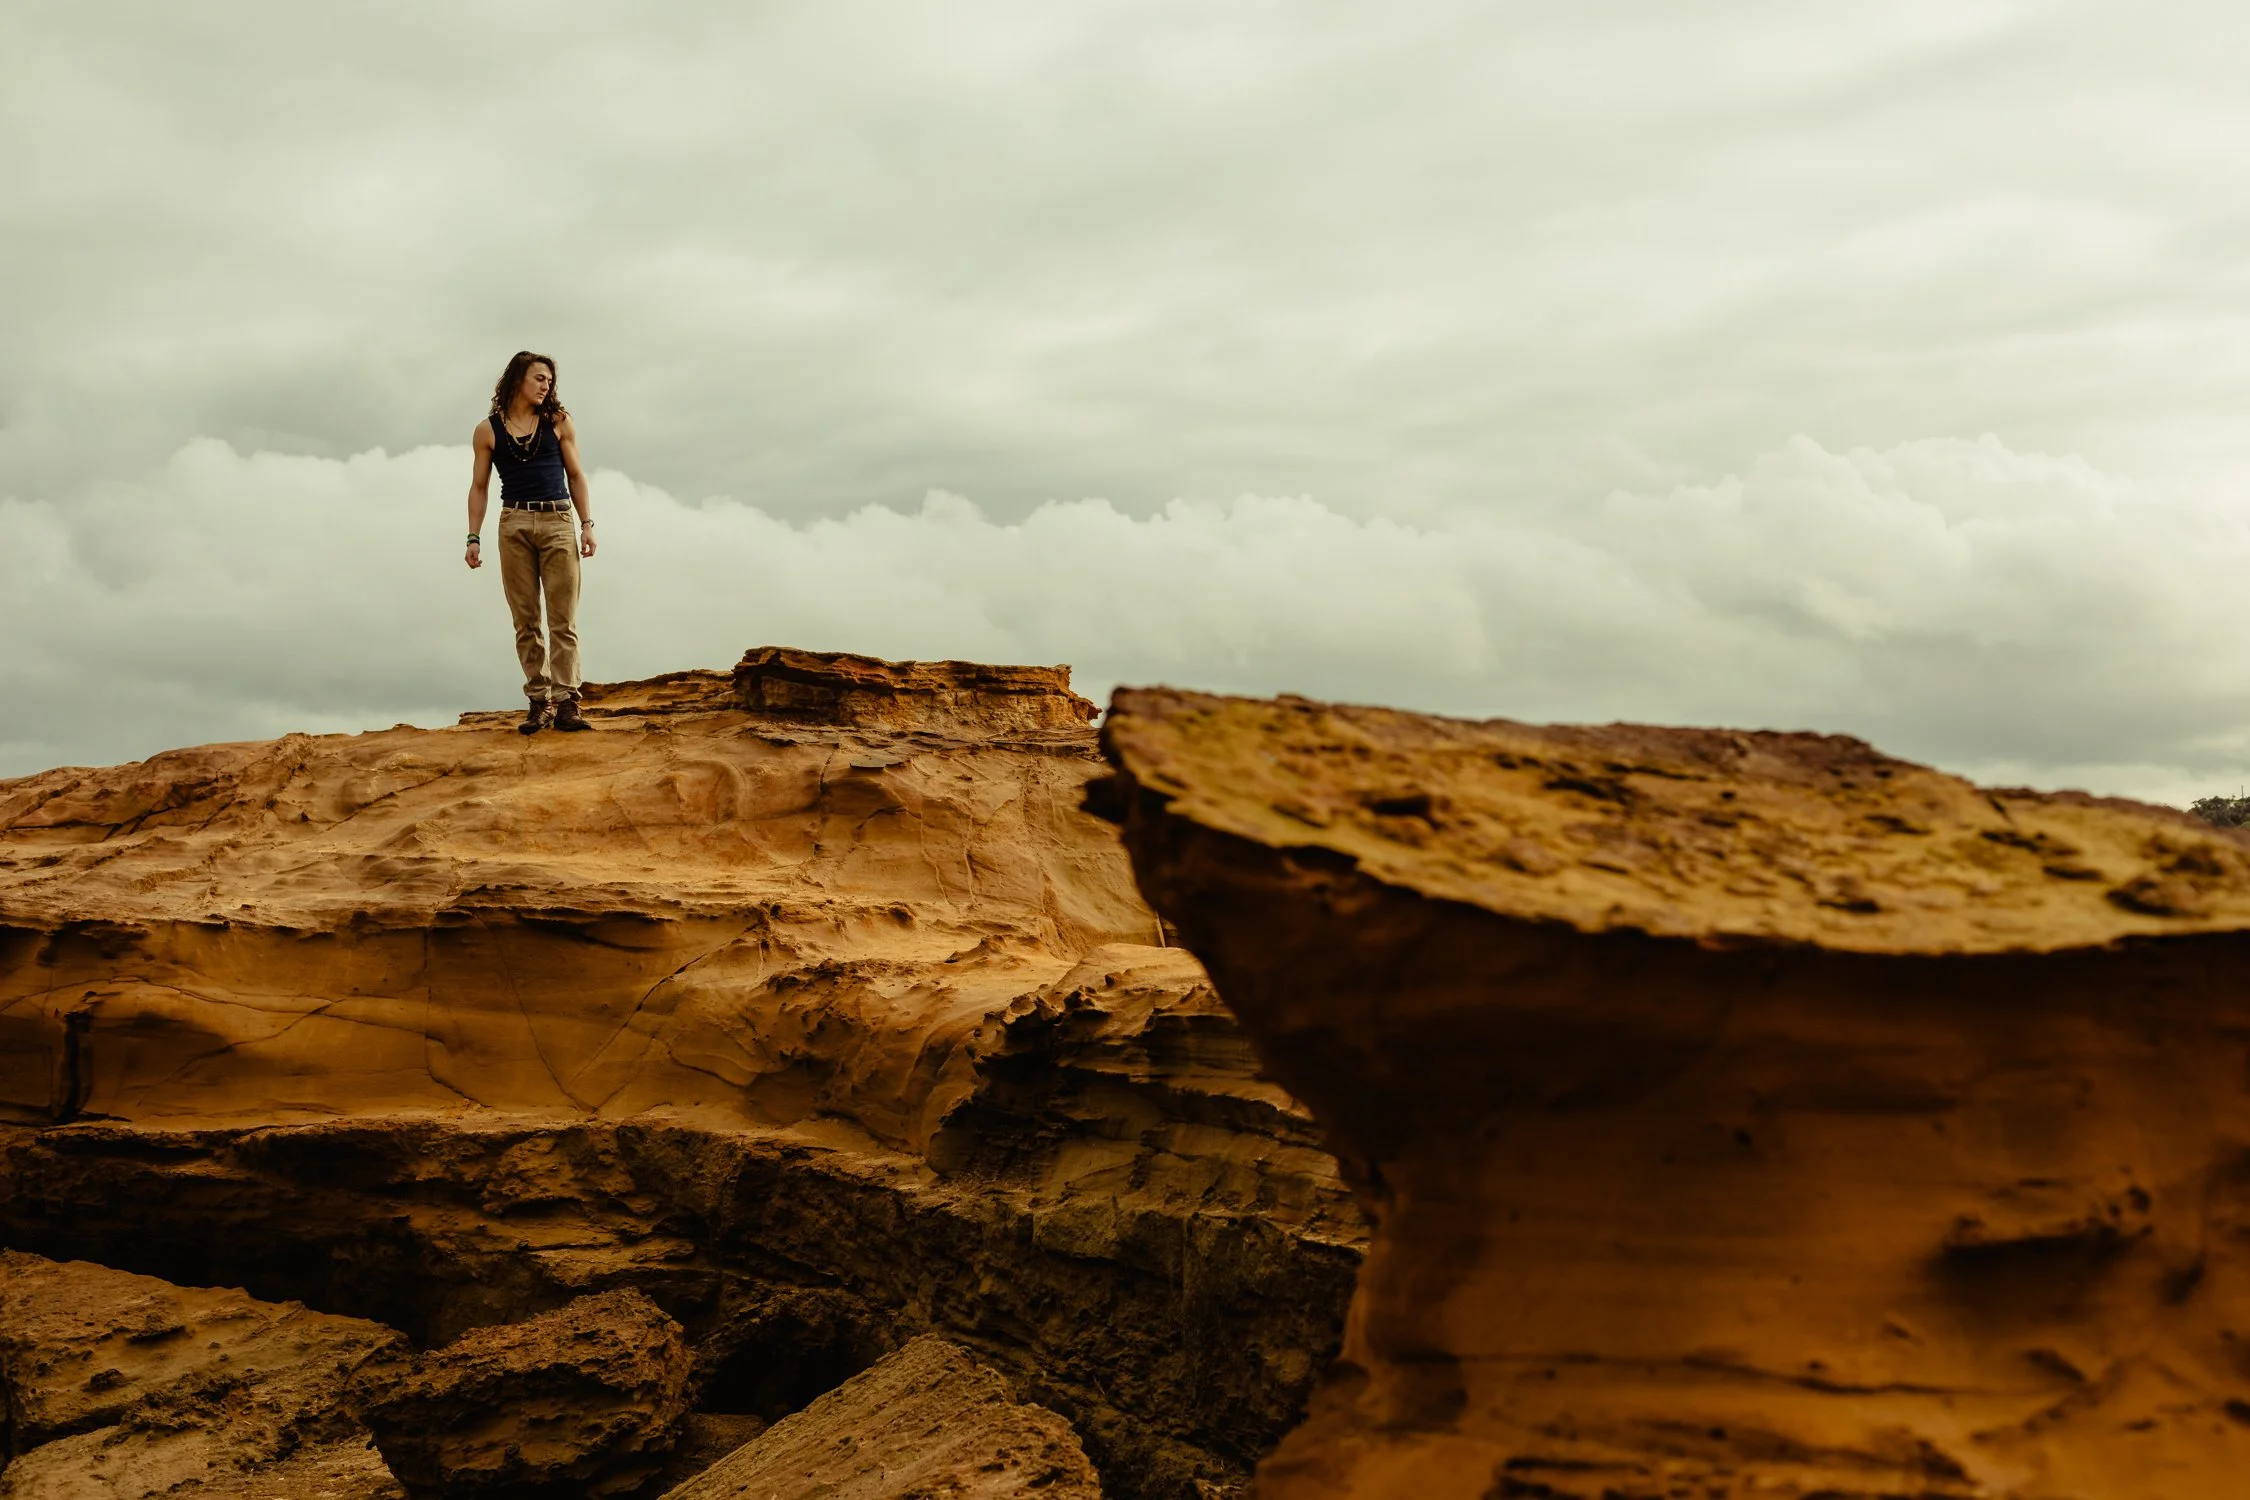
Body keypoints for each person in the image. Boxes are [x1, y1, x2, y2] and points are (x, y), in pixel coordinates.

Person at [464, 351, 597, 733]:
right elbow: (478, 486)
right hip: (514, 522)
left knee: (563, 619)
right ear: (518, 378)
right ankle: (539, 702)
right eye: (539, 378)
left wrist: (586, 524)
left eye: (549, 380)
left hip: (557, 519)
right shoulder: (488, 430)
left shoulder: (557, 422)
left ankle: (567, 702)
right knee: (526, 621)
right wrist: (473, 536)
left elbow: (576, 475)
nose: (546, 385)